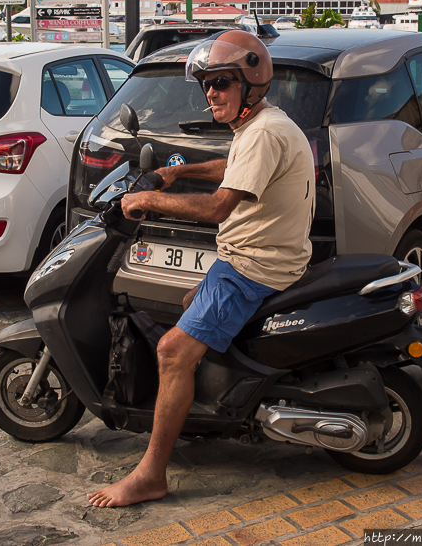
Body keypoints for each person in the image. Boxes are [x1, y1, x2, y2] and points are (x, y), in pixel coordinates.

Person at [86, 30, 315, 508]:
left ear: (250, 83)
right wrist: (179, 169)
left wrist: (149, 197)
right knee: (189, 304)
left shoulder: (265, 132)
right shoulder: (263, 128)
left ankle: (151, 473)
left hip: (253, 266)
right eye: (207, 84)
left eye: (222, 83)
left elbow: (217, 208)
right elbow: (232, 166)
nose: (211, 93)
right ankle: (212, 406)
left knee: (171, 350)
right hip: (256, 258)